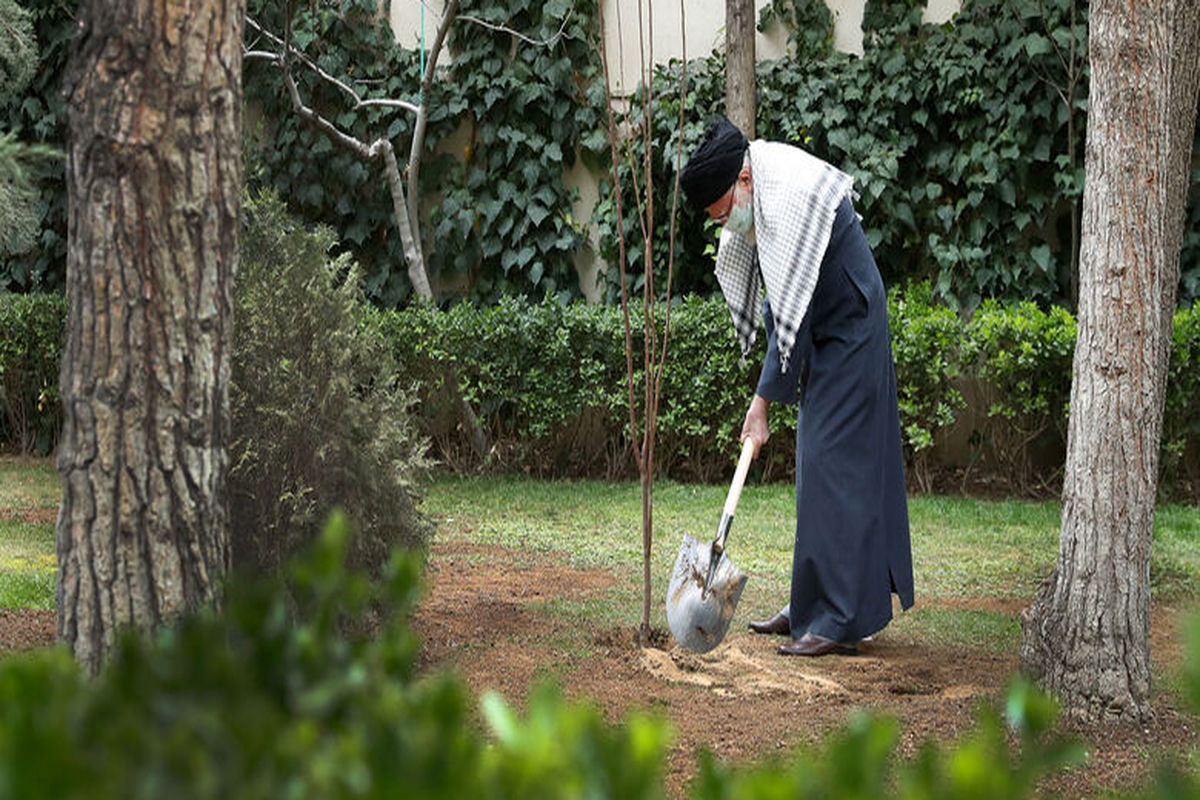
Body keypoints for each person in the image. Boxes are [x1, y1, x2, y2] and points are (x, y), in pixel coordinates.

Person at [679, 116, 914, 657]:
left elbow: (792, 310)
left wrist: (761, 404)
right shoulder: (759, 188)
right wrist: (762, 400)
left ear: (742, 182)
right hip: (825, 322)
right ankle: (809, 603)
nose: (725, 224)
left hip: (850, 322)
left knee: (836, 461)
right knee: (815, 458)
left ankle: (839, 620)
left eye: (722, 212)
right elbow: (781, 303)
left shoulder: (780, 195)